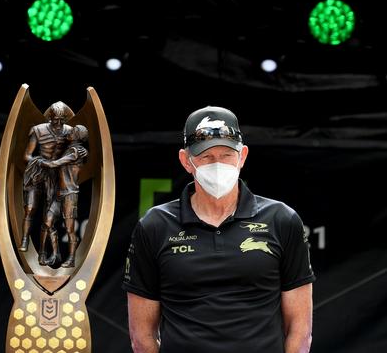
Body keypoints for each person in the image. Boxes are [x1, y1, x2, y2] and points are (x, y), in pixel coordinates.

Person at [123, 106, 315, 353]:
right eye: (206, 156)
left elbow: (300, 330)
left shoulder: (282, 219)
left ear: (242, 156)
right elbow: (141, 336)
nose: (217, 164)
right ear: (186, 161)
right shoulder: (155, 225)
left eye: (226, 155)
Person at [19, 101, 74, 267]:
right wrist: (42, 162)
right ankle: (25, 238)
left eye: (61, 120)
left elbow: (75, 153)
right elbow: (27, 155)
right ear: (49, 117)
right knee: (30, 207)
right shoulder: (38, 130)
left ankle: (45, 253)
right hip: (38, 171)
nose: (57, 123)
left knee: (49, 218)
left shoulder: (70, 132)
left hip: (57, 175)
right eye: (54, 119)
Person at [41, 124, 89, 268]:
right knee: (48, 222)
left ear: (78, 136)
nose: (70, 132)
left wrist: (43, 162)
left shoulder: (78, 151)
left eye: (73, 131)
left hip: (69, 194)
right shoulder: (69, 149)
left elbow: (57, 163)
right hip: (59, 194)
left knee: (69, 229)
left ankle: (72, 258)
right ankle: (56, 254)